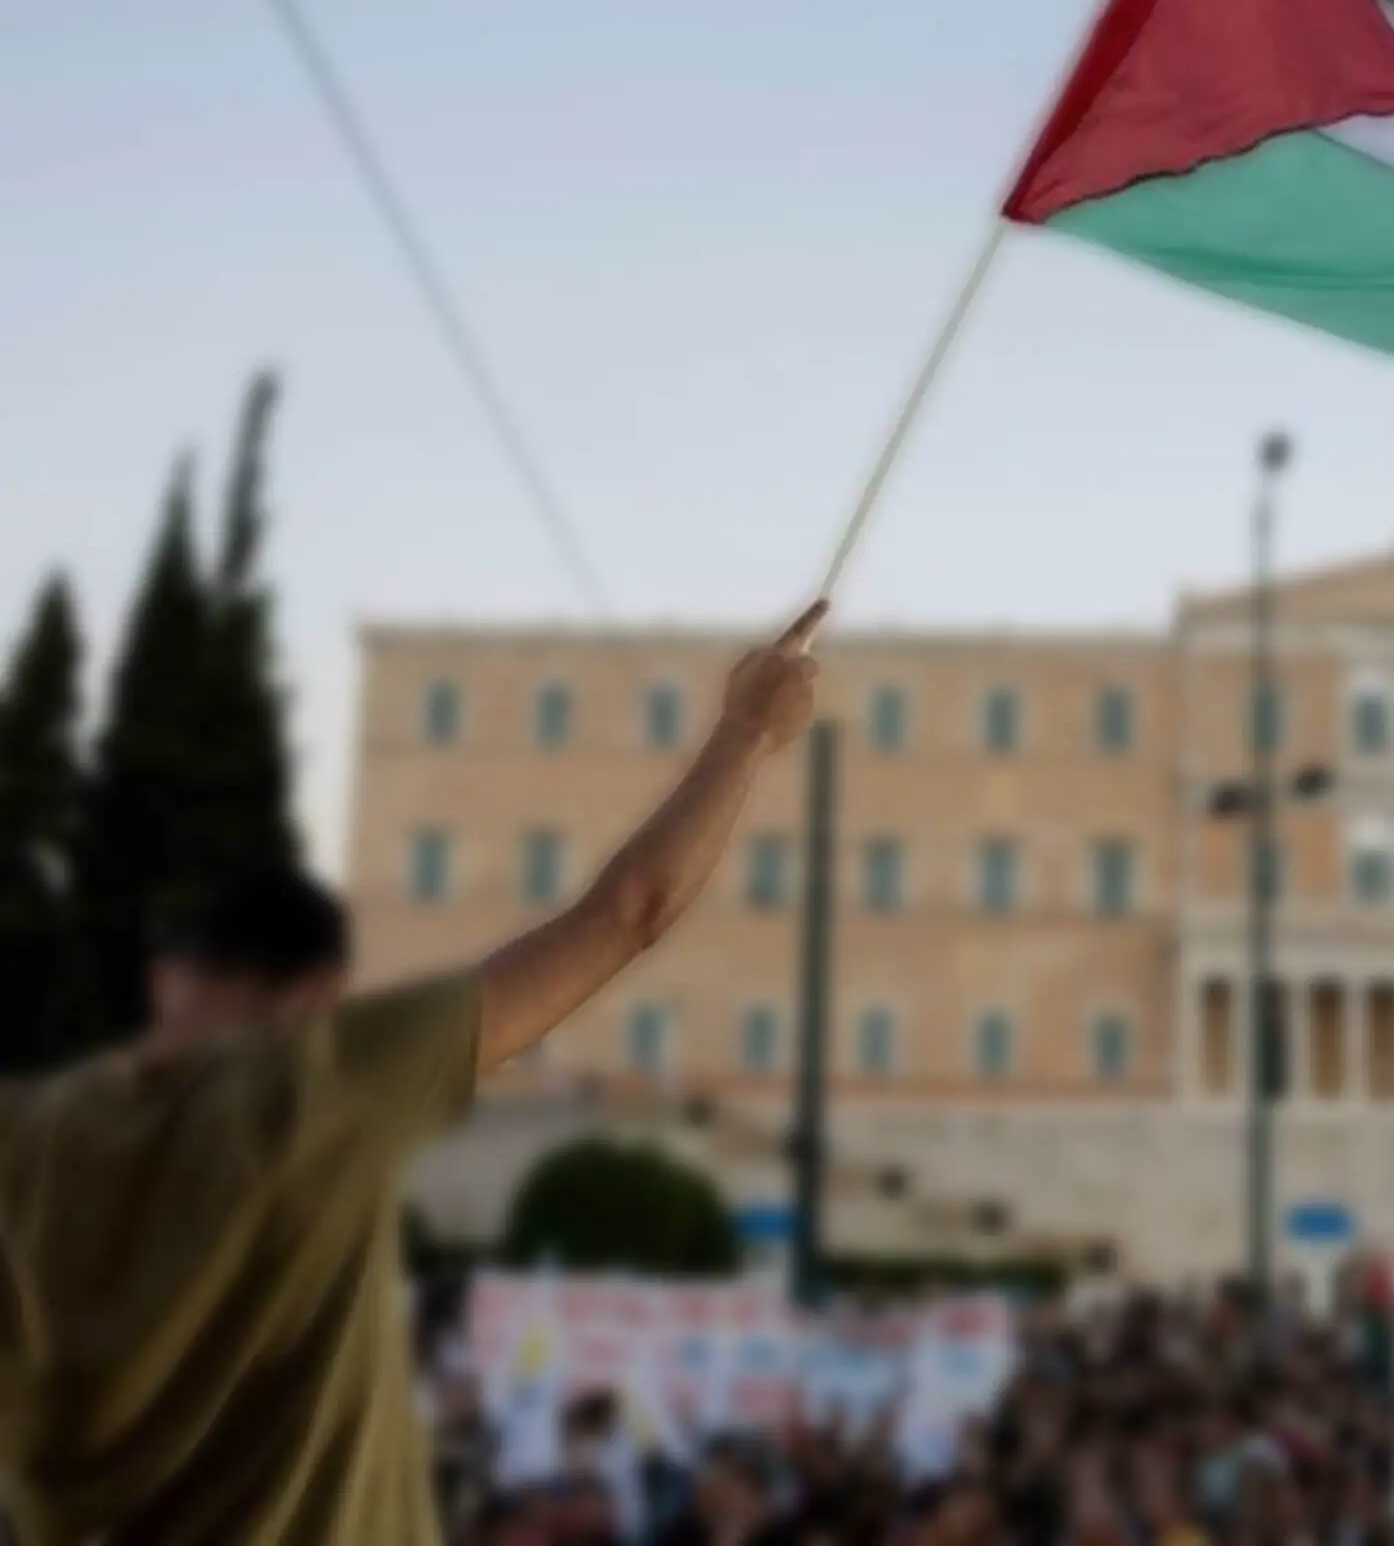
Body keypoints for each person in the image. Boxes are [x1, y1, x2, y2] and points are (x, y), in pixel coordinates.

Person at [0, 601, 827, 1544]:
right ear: (313, 998)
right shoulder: (317, 1090)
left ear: (165, 980)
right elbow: (626, 913)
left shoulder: (26, 1135)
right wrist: (745, 732)